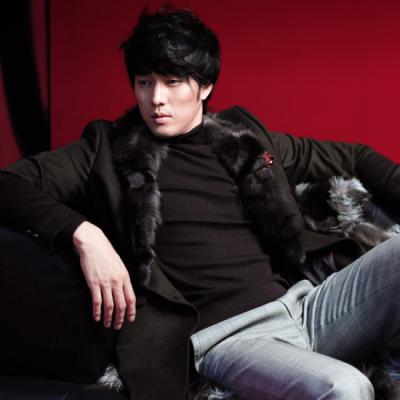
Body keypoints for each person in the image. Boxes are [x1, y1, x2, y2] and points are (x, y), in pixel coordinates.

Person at [1, 5, 400, 400]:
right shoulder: (105, 149)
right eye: (144, 82)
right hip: (231, 339)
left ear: (205, 86)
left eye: (172, 82)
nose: (156, 99)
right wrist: (84, 234)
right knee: (346, 387)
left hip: (307, 307)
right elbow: (7, 182)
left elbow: (356, 157)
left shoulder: (244, 137)